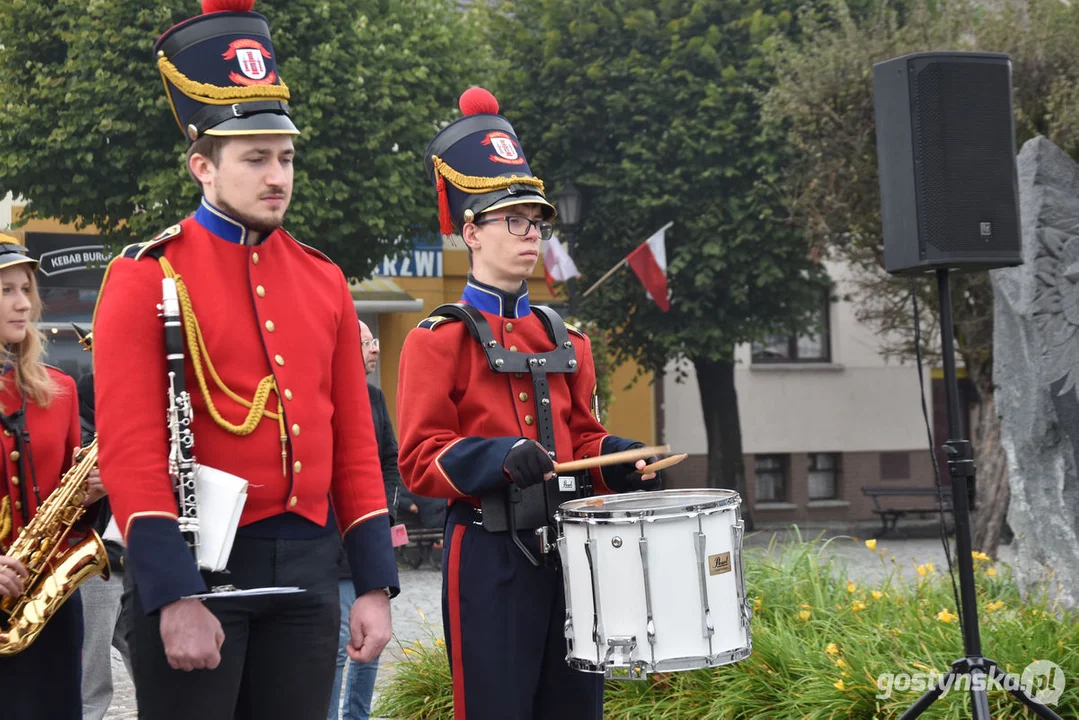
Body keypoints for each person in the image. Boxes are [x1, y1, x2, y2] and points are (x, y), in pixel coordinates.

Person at [91, 2, 398, 718]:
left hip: (308, 573)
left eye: (284, 157)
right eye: (255, 158)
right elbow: (133, 455)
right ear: (203, 165)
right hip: (198, 567)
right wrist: (173, 595)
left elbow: (352, 443)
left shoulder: (323, 277)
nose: (276, 176)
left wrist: (375, 583)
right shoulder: (145, 276)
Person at [396, 87, 661, 720]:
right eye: (513, 220)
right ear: (471, 232)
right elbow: (420, 458)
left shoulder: (566, 338)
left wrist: (615, 459)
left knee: (576, 709)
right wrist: (496, 458)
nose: (530, 234)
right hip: (488, 552)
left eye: (536, 222)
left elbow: (581, 438)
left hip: (574, 551)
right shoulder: (438, 339)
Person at [0, 237, 105, 719]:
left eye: (26, 289)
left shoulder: (59, 390)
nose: (23, 303)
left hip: (46, 604)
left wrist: (92, 493)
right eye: (5, 291)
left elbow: (73, 504)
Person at [328, 320, 404, 720]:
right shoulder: (322, 395)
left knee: (371, 641)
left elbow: (390, 461)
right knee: (342, 641)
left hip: (372, 532)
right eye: (365, 342)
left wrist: (384, 513)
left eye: (375, 341)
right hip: (335, 542)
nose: (374, 349)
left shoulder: (375, 398)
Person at [72, 348, 134, 720]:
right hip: (97, 566)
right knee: (91, 684)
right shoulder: (83, 423)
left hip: (129, 560)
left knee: (154, 667)